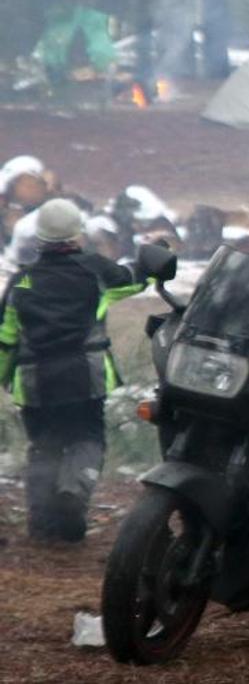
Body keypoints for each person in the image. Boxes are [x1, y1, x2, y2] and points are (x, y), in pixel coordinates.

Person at [0, 199, 146, 543]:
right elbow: (134, 280)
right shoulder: (95, 270)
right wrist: (156, 260)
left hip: (35, 383)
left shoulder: (23, 281)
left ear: (39, 238)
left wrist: (3, 376)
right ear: (77, 234)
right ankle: (73, 492)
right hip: (85, 378)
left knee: (43, 445)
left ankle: (41, 525)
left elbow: (5, 338)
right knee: (87, 437)